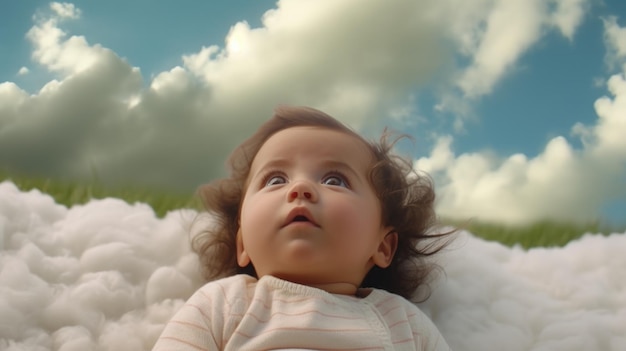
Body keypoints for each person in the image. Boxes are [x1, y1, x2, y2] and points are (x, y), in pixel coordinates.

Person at [152, 105, 453, 350]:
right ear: (241, 244)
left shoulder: (399, 320)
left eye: (335, 180)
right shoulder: (224, 303)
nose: (300, 187)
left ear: (383, 246)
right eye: (275, 180)